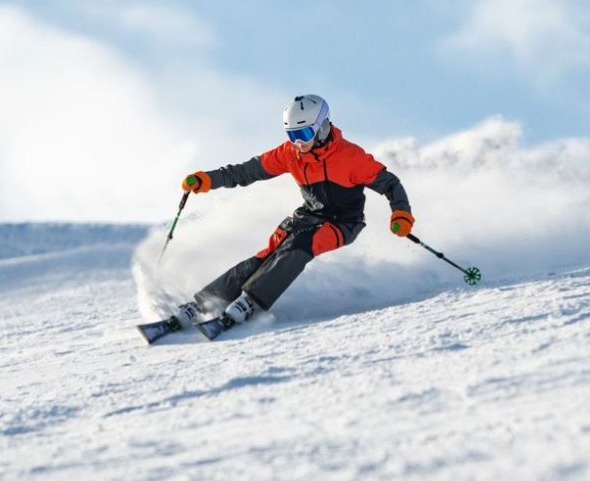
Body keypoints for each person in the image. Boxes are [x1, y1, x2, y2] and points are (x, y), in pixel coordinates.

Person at [167, 94, 414, 332]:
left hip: (343, 223)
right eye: (292, 135)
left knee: (299, 245)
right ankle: (204, 303)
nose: (298, 142)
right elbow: (246, 171)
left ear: (322, 127)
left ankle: (251, 301)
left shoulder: (351, 157)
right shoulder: (291, 154)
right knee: (267, 256)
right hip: (308, 216)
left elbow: (391, 184)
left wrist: (401, 215)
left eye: (303, 133)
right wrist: (207, 179)